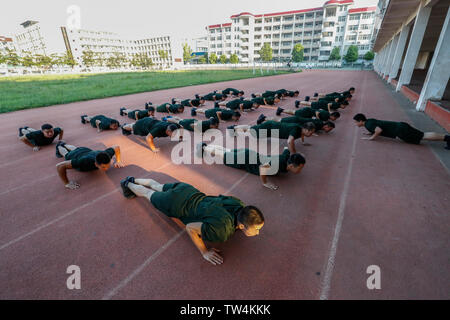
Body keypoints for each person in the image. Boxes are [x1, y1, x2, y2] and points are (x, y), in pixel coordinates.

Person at [119, 176, 264, 265]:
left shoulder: (239, 204)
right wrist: (204, 252)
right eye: (256, 229)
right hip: (175, 204)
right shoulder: (221, 231)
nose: (257, 233)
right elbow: (190, 228)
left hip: (188, 190)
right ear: (241, 224)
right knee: (148, 193)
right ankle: (127, 183)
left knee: (157, 186)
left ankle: (134, 179)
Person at [198, 144, 305, 190]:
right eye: (299, 168)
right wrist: (265, 183)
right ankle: (204, 147)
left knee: (226, 151)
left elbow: (286, 148)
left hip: (249, 153)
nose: (300, 171)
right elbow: (262, 168)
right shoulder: (277, 165)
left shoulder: (286, 157)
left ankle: (207, 146)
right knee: (223, 154)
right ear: (291, 166)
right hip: (244, 159)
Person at [353, 113, 450, 149]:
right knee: (422, 136)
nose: (355, 124)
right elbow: (376, 127)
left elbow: (378, 130)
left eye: (355, 122)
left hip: (401, 130)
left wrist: (371, 138)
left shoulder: (368, 124)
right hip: (400, 127)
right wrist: (370, 132)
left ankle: (447, 138)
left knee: (423, 136)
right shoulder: (368, 122)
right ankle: (447, 138)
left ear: (360, 121)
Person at [55, 142, 123, 189]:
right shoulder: (84, 161)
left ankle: (64, 144)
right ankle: (59, 146)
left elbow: (116, 147)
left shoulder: (107, 154)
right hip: (74, 156)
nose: (107, 169)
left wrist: (118, 161)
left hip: (85, 150)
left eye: (108, 165)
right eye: (103, 167)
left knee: (75, 149)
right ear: (96, 164)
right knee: (66, 154)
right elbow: (59, 166)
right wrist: (67, 183)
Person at [229, 120, 316, 153]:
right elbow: (289, 141)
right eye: (311, 133)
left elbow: (301, 135)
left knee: (253, 132)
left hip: (271, 129)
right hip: (270, 127)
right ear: (306, 130)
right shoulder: (297, 130)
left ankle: (235, 128)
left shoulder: (301, 129)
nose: (311, 135)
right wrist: (293, 153)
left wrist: (303, 142)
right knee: (252, 131)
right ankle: (233, 128)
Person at [256, 114, 335, 133]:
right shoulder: (318, 125)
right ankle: (264, 118)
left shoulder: (320, 124)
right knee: (279, 121)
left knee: (280, 120)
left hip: (297, 120)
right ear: (326, 126)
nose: (329, 130)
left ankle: (264, 118)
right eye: (330, 129)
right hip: (295, 120)